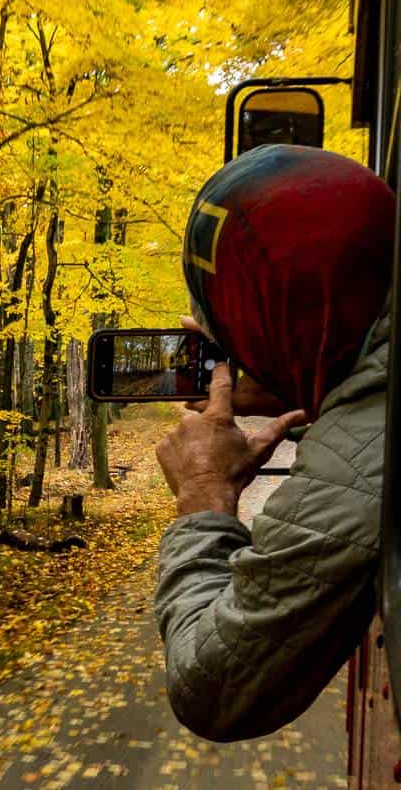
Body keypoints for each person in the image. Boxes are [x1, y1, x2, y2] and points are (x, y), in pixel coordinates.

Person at [153, 144, 394, 741]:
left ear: (274, 319)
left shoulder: (361, 460)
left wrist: (204, 498)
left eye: (229, 320)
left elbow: (211, 686)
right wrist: (304, 382)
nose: (222, 343)